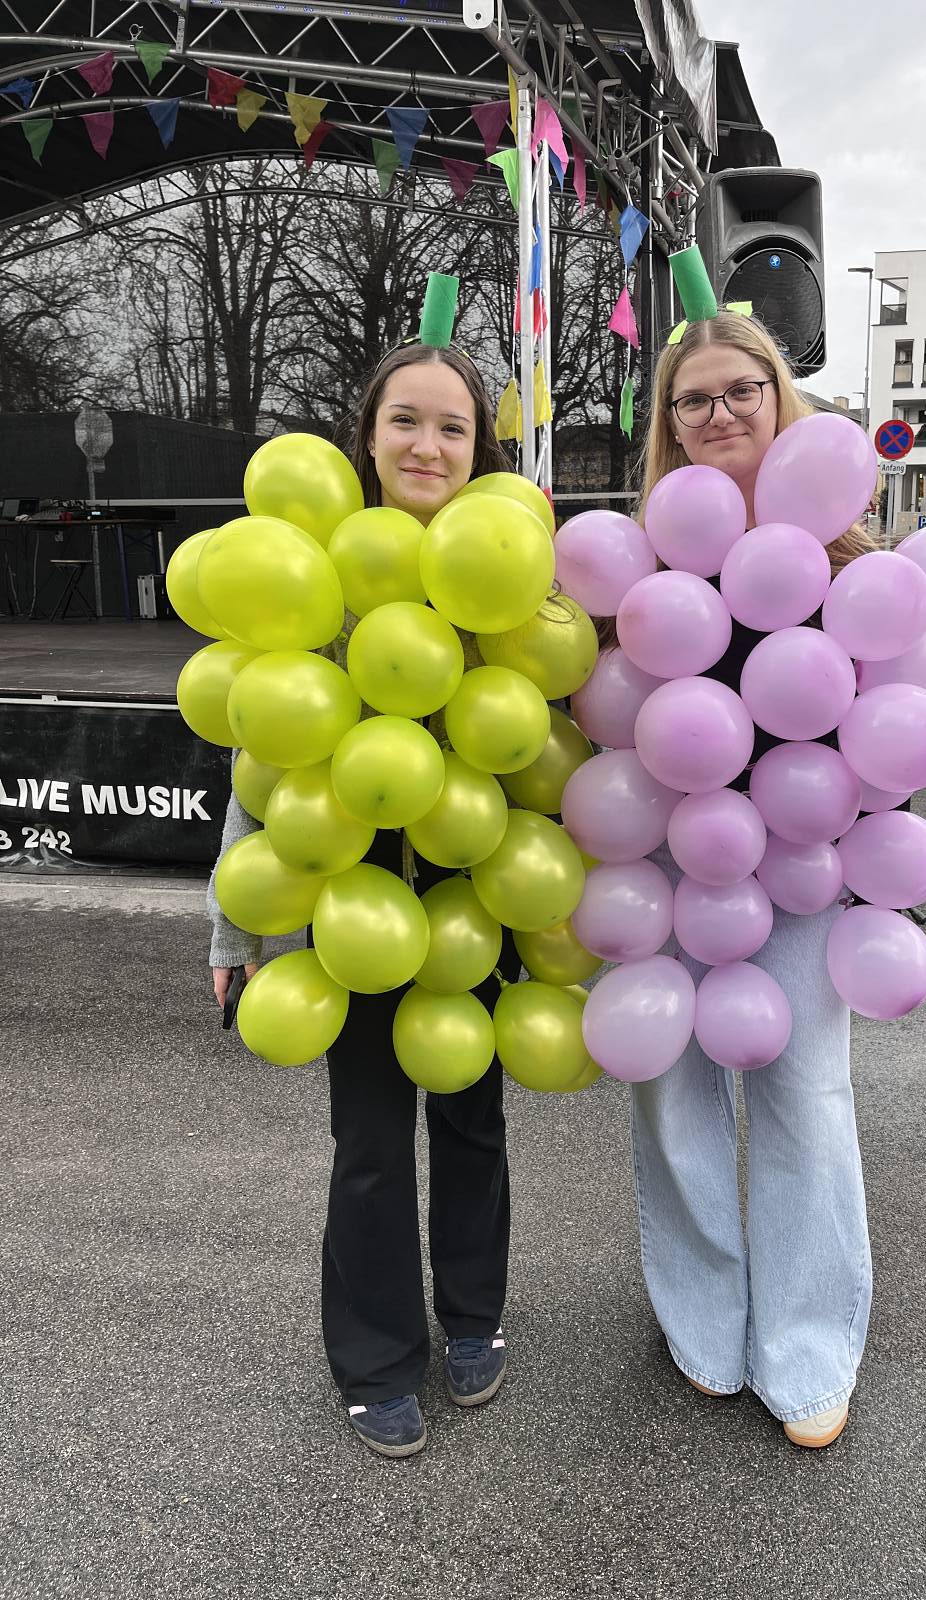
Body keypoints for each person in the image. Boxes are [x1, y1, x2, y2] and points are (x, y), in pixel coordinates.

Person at [209, 339, 520, 1460]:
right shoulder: (318, 572)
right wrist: (236, 920)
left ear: (477, 445)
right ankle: (376, 1356)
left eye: (452, 426)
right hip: (347, 884)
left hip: (476, 877)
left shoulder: (512, 571)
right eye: (406, 421)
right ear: (368, 435)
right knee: (374, 1139)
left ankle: (474, 1316)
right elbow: (262, 757)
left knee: (474, 1117)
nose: (428, 444)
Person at [625, 307, 875, 1449]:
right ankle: (703, 1318)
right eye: (694, 400)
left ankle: (810, 1343)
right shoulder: (640, 559)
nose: (720, 413)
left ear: (780, 400)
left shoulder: (843, 556)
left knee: (806, 1100)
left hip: (806, 874)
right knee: (672, 1098)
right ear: (668, 429)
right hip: (671, 865)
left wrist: (883, 878)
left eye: (742, 391)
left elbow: (894, 730)